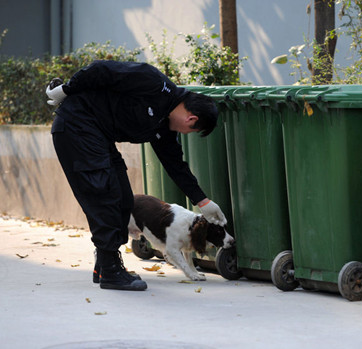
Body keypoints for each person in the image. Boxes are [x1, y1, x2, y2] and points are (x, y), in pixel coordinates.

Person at [46, 60, 227, 291]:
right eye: (192, 130)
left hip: (99, 136)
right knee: (105, 195)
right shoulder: (153, 82)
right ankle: (111, 271)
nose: (186, 133)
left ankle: (104, 266)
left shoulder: (163, 125)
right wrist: (67, 89)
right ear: (192, 119)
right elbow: (102, 69)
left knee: (123, 199)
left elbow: (175, 165)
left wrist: (203, 201)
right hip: (77, 126)